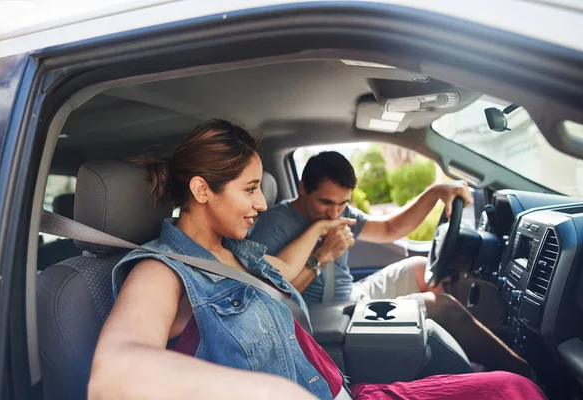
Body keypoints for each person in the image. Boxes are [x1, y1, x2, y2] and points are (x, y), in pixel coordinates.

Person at [88, 119, 546, 400]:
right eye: (250, 189)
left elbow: (285, 276)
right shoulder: (160, 271)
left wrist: (320, 233)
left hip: (345, 390)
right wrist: (273, 395)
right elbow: (114, 374)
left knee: (514, 389)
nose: (263, 203)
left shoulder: (237, 252)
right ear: (202, 190)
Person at [248, 151, 531, 377]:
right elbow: (274, 299)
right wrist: (322, 256)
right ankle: (522, 371)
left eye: (343, 202)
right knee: (440, 306)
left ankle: (459, 356)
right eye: (326, 202)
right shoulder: (276, 225)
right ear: (303, 189)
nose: (335, 212)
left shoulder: (341, 211)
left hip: (351, 294)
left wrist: (434, 193)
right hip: (323, 314)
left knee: (419, 266)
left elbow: (389, 229)